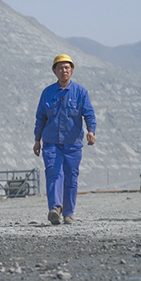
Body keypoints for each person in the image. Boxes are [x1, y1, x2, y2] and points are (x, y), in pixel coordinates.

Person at [33, 54, 96, 225]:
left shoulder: (81, 92)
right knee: (54, 173)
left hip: (73, 144)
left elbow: (88, 113)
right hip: (51, 143)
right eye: (60, 68)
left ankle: (68, 213)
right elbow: (41, 117)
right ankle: (55, 209)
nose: (64, 71)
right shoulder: (47, 93)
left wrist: (91, 131)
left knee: (71, 178)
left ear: (72, 70)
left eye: (67, 67)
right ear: (54, 71)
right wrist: (37, 139)